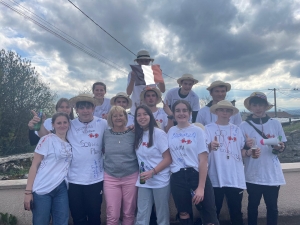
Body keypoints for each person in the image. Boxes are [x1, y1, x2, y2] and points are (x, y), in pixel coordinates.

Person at [34, 93, 108, 225]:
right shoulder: (69, 124)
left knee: (95, 215)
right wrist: (38, 125)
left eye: (88, 107)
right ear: (76, 110)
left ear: (93, 108)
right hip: (73, 180)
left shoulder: (103, 123)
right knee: (77, 217)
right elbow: (49, 137)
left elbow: (118, 133)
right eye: (81, 107)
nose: (85, 110)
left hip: (95, 179)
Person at [167, 100, 219, 225]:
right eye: (178, 111)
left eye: (184, 110)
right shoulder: (171, 131)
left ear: (190, 113)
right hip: (178, 177)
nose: (181, 113)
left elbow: (203, 160)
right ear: (173, 113)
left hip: (196, 175)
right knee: (184, 214)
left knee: (209, 214)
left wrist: (201, 187)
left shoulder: (198, 131)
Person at [239, 92, 286, 225]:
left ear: (266, 106)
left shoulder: (275, 124)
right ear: (250, 107)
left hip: (272, 174)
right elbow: (240, 150)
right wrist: (247, 148)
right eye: (254, 105)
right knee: (252, 207)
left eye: (261, 104)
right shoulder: (243, 126)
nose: (258, 108)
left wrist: (280, 147)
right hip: (252, 174)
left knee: (272, 207)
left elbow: (283, 143)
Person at [205, 100, 250, 225]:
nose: (225, 112)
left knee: (236, 212)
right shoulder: (208, 129)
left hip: (235, 177)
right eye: (222, 109)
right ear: (216, 111)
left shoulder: (237, 130)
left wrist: (249, 152)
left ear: (231, 113)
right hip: (215, 176)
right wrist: (209, 146)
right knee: (214, 212)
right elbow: (202, 152)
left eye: (228, 110)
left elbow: (241, 151)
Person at [24, 112, 72, 225]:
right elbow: (34, 165)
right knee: (41, 222)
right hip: (42, 189)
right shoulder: (46, 139)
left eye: (65, 122)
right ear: (53, 125)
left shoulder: (69, 143)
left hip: (61, 188)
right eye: (59, 123)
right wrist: (28, 192)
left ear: (69, 124)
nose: (62, 125)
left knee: (62, 221)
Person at [134, 105, 172, 225]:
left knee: (162, 215)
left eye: (145, 114)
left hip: (160, 180)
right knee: (142, 214)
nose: (142, 117)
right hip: (144, 180)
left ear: (150, 116)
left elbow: (168, 159)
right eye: (138, 115)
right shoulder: (137, 134)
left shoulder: (159, 134)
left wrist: (153, 172)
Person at [103, 106, 138, 225]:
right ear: (110, 118)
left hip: (130, 176)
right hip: (110, 177)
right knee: (112, 214)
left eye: (121, 115)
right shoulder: (105, 134)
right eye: (115, 115)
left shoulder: (133, 133)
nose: (118, 118)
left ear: (126, 117)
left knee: (129, 212)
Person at [126, 50, 165, 114]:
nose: (144, 63)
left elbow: (162, 90)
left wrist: (160, 77)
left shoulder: (154, 72)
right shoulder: (132, 73)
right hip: (136, 107)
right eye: (141, 61)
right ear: (138, 62)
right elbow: (128, 92)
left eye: (146, 61)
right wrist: (132, 79)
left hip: (151, 108)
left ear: (149, 61)